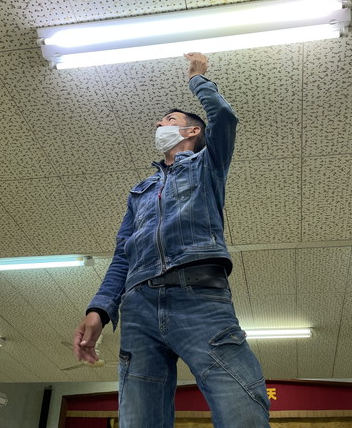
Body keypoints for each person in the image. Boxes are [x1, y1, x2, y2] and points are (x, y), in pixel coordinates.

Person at [73, 52, 270, 428]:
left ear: (192, 132)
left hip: (199, 297)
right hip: (138, 308)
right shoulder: (140, 192)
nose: (159, 124)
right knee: (139, 420)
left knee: (242, 412)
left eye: (169, 120)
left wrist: (197, 78)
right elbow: (123, 256)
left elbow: (224, 117)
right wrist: (100, 310)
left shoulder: (207, 166)